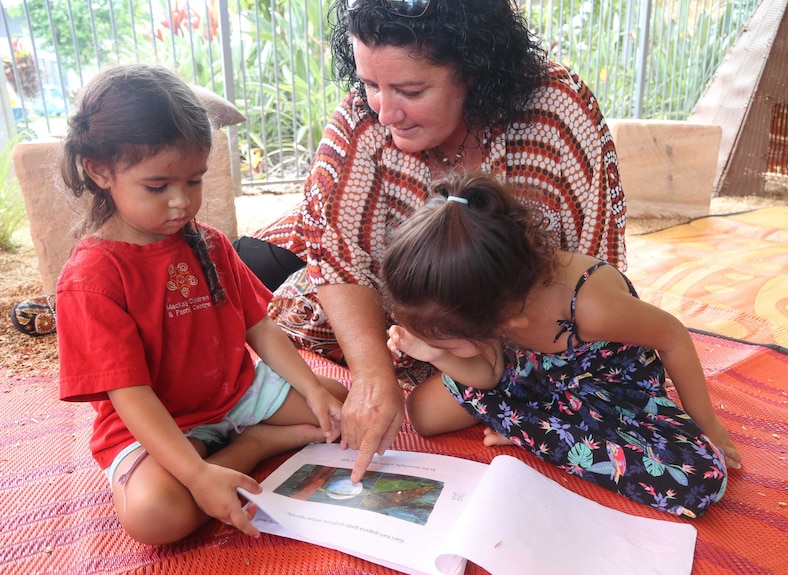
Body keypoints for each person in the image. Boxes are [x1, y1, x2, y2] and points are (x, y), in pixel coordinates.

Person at [243, 0, 628, 483]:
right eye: (369, 84)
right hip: (332, 262)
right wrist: (371, 370)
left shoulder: (558, 114)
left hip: (486, 328)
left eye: (410, 89)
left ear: (474, 71)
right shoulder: (362, 119)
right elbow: (336, 254)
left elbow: (594, 275)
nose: (385, 111)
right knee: (251, 281)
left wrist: (541, 401)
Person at [54, 63, 348, 545]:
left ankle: (244, 440)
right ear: (99, 170)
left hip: (236, 396)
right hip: (160, 426)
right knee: (155, 517)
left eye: (195, 181)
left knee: (337, 403)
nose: (182, 202)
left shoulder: (208, 243)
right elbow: (130, 395)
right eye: (158, 186)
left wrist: (312, 392)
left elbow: (261, 329)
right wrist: (194, 475)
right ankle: (254, 447)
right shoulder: (92, 278)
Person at [382, 172, 741, 518]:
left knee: (699, 482)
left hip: (606, 390)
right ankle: (543, 426)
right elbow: (490, 374)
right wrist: (435, 353)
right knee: (423, 413)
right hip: (532, 375)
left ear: (504, 325)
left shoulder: (592, 307)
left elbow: (674, 336)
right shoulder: (494, 295)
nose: (442, 350)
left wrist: (707, 421)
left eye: (449, 344)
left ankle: (536, 427)